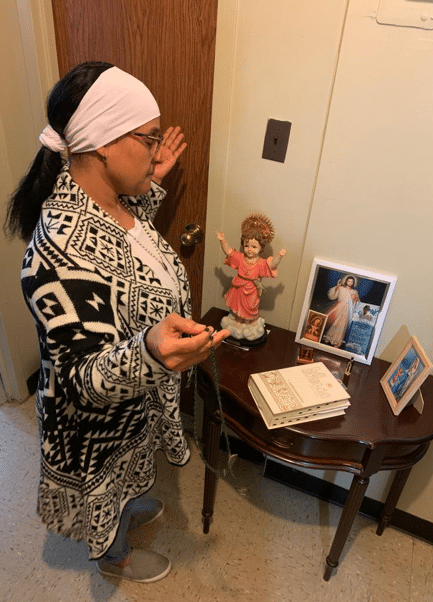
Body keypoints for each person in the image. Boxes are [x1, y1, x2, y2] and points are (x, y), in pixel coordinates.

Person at [5, 61, 228, 583]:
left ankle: (128, 509)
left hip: (135, 406)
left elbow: (124, 246)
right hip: (96, 427)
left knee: (130, 479)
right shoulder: (54, 253)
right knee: (106, 487)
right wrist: (151, 351)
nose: (158, 150)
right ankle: (115, 557)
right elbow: (83, 378)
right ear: (103, 142)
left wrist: (151, 180)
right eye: (148, 139)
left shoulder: (110, 202)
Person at [216, 213, 286, 325]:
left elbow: (272, 265)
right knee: (236, 308)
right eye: (246, 245)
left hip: (252, 289)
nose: (249, 249)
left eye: (254, 247)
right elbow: (229, 252)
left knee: (250, 309)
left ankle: (247, 323)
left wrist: (280, 256)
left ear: (261, 248)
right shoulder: (240, 258)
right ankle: (237, 321)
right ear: (243, 245)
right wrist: (222, 240)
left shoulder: (261, 263)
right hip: (238, 287)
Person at [322, 274, 359, 348]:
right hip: (339, 307)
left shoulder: (354, 291)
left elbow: (357, 302)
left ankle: (337, 342)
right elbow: (333, 296)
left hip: (347, 310)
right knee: (335, 323)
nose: (350, 283)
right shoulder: (341, 288)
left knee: (342, 326)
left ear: (353, 283)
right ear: (346, 281)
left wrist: (355, 298)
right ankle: (328, 338)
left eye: (352, 282)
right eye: (349, 281)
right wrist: (337, 287)